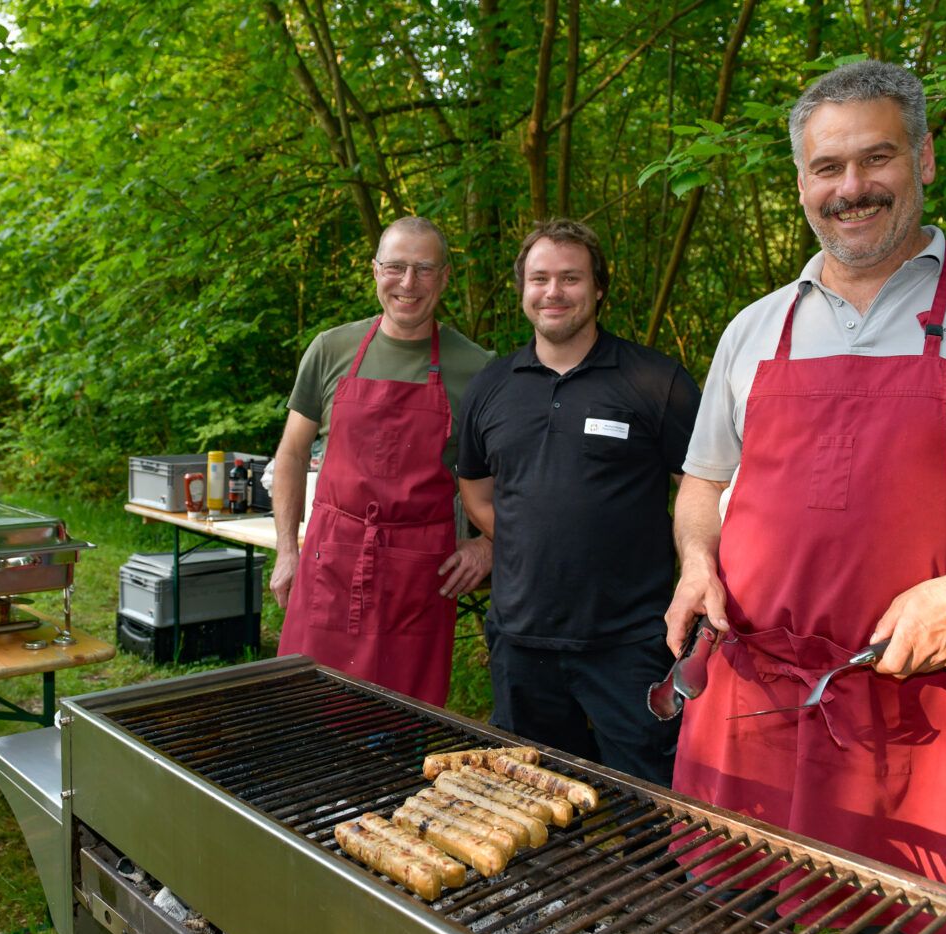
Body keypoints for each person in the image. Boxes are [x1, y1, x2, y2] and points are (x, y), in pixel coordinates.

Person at [665, 60, 946, 934]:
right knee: (727, 919)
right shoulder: (754, 328)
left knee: (884, 932)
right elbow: (703, 484)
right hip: (745, 702)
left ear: (925, 158)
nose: (851, 188)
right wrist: (693, 561)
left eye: (876, 159)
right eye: (827, 168)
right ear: (799, 180)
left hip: (907, 714)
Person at [457, 219, 700, 785]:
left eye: (571, 277)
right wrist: (529, 542)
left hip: (630, 641)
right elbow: (476, 491)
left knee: (649, 799)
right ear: (523, 289)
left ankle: (651, 877)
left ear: (598, 290)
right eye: (539, 278)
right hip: (520, 640)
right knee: (530, 797)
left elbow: (704, 487)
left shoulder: (654, 380)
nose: (554, 291)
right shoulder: (492, 386)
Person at [272, 216, 495, 706]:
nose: (408, 284)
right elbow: (290, 454)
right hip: (329, 560)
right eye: (395, 267)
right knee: (307, 710)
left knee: (401, 724)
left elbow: (512, 480)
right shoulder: (331, 349)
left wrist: (488, 545)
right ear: (375, 271)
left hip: (417, 581)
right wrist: (287, 549)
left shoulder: (477, 369)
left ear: (445, 277)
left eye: (423, 269)